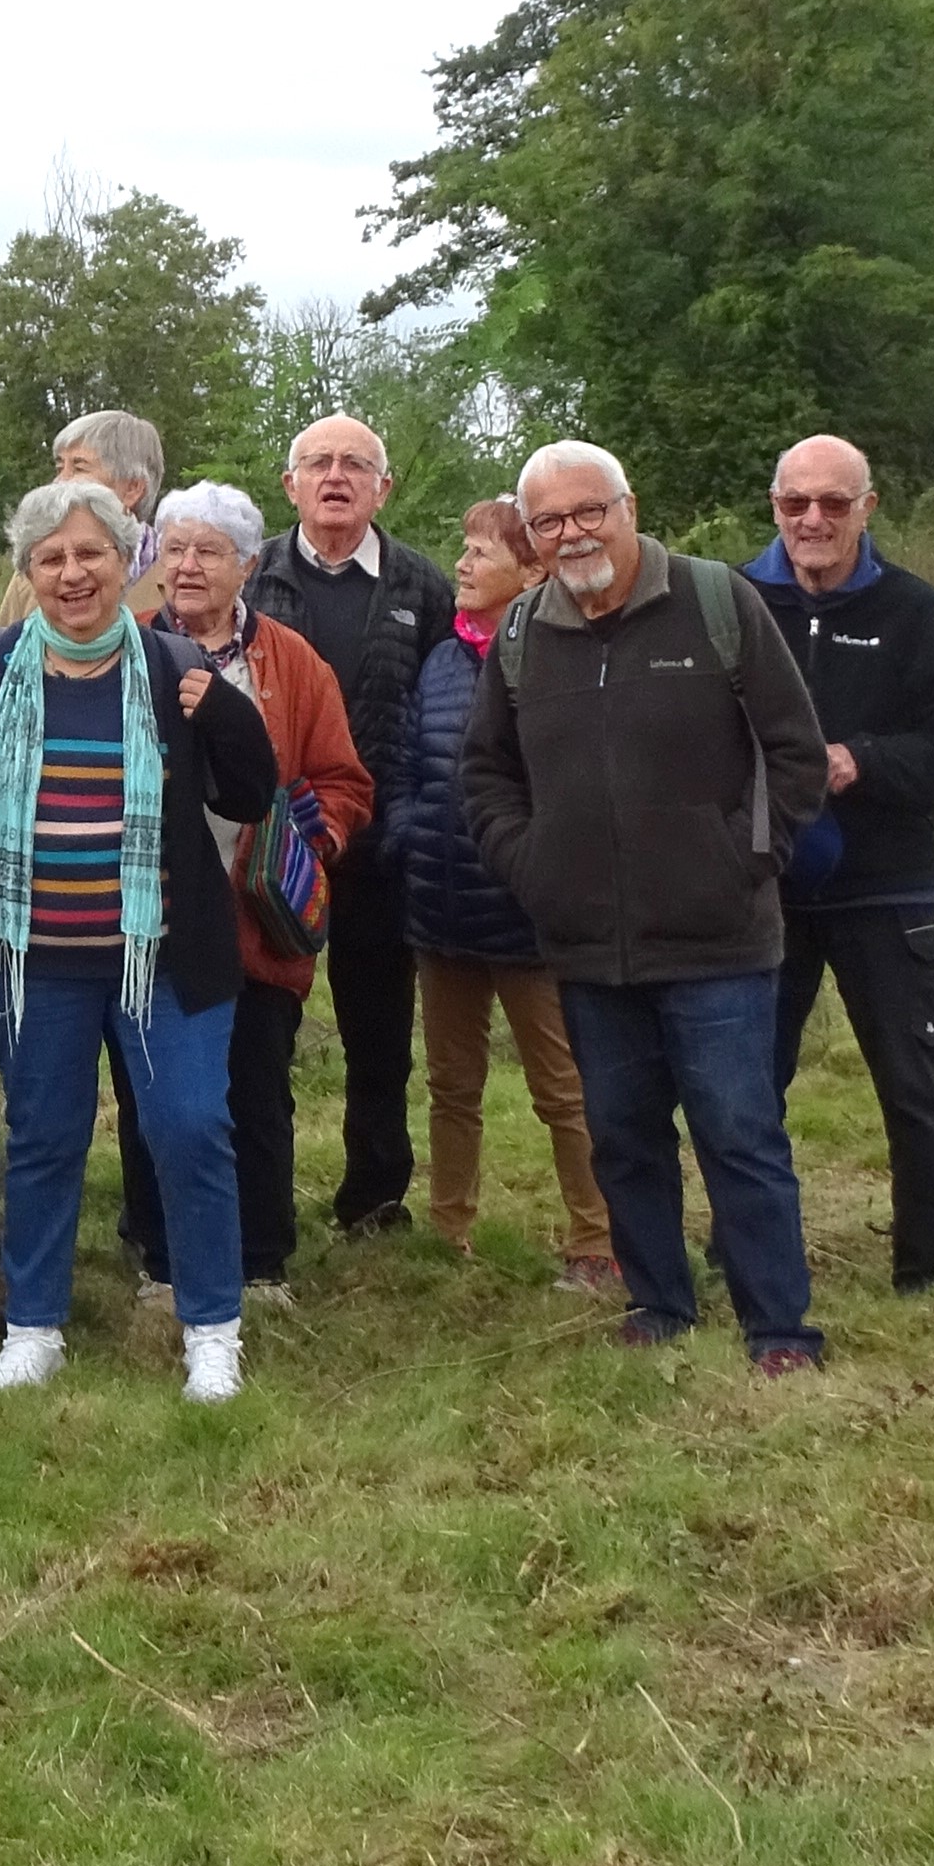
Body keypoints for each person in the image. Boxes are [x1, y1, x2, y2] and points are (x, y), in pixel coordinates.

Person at [0, 481, 278, 1401]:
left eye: (91, 554)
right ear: (30, 571)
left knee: (191, 1127)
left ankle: (212, 1328)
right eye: (51, 558)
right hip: (34, 958)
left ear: (126, 561)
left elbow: (250, 795)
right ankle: (33, 1326)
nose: (72, 573)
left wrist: (225, 714)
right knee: (44, 1137)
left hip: (162, 955)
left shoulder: (175, 670)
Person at [462, 440, 834, 1372]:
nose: (572, 533)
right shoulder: (519, 637)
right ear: (535, 538)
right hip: (587, 945)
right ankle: (661, 1301)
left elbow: (793, 752)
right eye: (549, 521)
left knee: (739, 1134)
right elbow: (485, 776)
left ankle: (778, 1326)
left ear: (628, 508)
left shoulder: (715, 602)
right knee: (623, 1137)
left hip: (718, 938)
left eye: (589, 511)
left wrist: (745, 857)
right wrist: (534, 866)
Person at [118, 484, 371, 1308]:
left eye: (208, 552)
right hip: (147, 913)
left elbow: (344, 781)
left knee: (256, 1090)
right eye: (175, 549)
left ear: (248, 566)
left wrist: (312, 843)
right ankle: (161, 1261)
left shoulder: (292, 662)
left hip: (257, 916)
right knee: (154, 1094)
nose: (187, 567)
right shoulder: (122, 646)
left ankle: (260, 1263)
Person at [753, 434, 934, 1293]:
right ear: (773, 505)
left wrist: (862, 762)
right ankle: (748, 1253)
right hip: (764, 890)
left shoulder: (915, 613)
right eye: (794, 503)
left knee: (914, 1083)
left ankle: (928, 1267)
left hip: (887, 890)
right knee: (746, 1090)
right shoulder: (735, 603)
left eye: (833, 504)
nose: (812, 520)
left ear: (868, 508)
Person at [388, 497, 614, 1290]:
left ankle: (598, 1242)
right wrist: (408, 835)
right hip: (441, 908)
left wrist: (537, 870)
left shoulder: (564, 656)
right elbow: (410, 762)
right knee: (452, 1085)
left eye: (482, 551)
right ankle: (448, 1233)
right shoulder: (444, 659)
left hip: (529, 916)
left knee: (563, 1087)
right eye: (465, 547)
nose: (463, 564)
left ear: (533, 570)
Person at [248, 413, 456, 1236]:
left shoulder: (421, 586)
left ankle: (374, 1196)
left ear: (383, 487)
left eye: (355, 464)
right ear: (290, 483)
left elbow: (444, 708)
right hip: (265, 850)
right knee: (264, 1032)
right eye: (318, 463)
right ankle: (261, 1195)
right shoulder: (251, 575)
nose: (336, 477)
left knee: (379, 1035)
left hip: (376, 848)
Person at [0, 408, 166, 625]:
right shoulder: (33, 571)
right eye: (59, 468)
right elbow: (2, 653)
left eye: (79, 468)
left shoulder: (182, 579)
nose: (59, 482)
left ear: (132, 489)